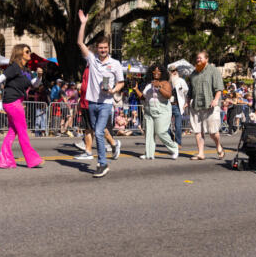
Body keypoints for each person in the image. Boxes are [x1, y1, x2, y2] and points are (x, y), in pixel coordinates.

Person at [0, 44, 44, 169]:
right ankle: (32, 159)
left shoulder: (26, 71)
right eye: (27, 51)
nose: (29, 53)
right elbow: (2, 77)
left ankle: (4, 161)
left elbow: (34, 84)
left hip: (15, 101)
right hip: (12, 101)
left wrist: (39, 76)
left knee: (12, 131)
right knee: (23, 131)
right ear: (20, 53)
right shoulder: (14, 67)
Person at [77, 9, 124, 178]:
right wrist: (83, 24)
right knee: (96, 130)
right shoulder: (92, 59)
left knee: (98, 131)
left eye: (105, 48)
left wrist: (113, 90)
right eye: (100, 48)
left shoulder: (115, 64)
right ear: (96, 49)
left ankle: (103, 163)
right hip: (91, 102)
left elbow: (121, 82)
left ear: (108, 48)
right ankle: (109, 151)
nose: (103, 50)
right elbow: (80, 43)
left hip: (106, 103)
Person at [73, 65, 122, 160]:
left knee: (100, 128)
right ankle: (88, 152)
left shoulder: (101, 66)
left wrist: (105, 90)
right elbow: (85, 85)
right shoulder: (87, 67)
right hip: (85, 102)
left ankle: (114, 144)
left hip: (96, 102)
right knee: (87, 129)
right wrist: (80, 101)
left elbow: (106, 79)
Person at [132, 65, 179, 160]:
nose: (156, 72)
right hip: (149, 110)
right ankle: (149, 154)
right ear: (151, 72)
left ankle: (174, 148)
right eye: (154, 71)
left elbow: (168, 96)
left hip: (162, 111)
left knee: (161, 131)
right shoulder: (149, 84)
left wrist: (159, 87)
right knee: (149, 133)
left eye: (159, 71)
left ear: (162, 73)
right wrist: (136, 90)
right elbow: (144, 98)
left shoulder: (165, 83)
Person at [187, 50, 225, 160]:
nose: (198, 60)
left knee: (213, 132)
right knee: (197, 131)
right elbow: (190, 90)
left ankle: (218, 146)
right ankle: (200, 153)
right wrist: (187, 101)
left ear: (207, 59)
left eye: (200, 58)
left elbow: (219, 88)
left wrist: (216, 100)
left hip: (211, 105)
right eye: (197, 58)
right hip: (196, 106)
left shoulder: (213, 71)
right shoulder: (194, 73)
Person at [168, 65, 189, 149]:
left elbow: (187, 92)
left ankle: (178, 142)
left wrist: (186, 102)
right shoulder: (167, 82)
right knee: (165, 127)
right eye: (173, 71)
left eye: (176, 70)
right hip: (168, 106)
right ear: (170, 72)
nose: (175, 72)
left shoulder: (181, 81)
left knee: (178, 126)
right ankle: (172, 137)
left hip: (177, 106)